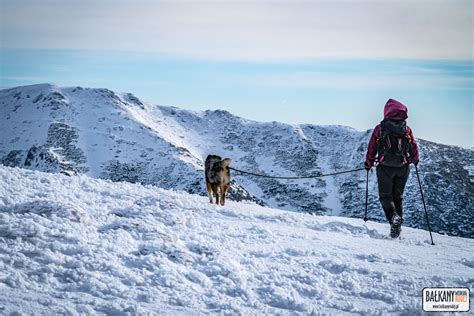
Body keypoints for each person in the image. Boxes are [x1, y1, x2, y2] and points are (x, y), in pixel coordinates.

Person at [364, 99, 419, 238]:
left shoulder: (380, 128)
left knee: (386, 196)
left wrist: (368, 163)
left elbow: (372, 147)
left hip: (385, 168)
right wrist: (415, 159)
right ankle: (397, 225)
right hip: (403, 167)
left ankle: (393, 218)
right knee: (398, 197)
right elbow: (413, 146)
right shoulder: (406, 129)